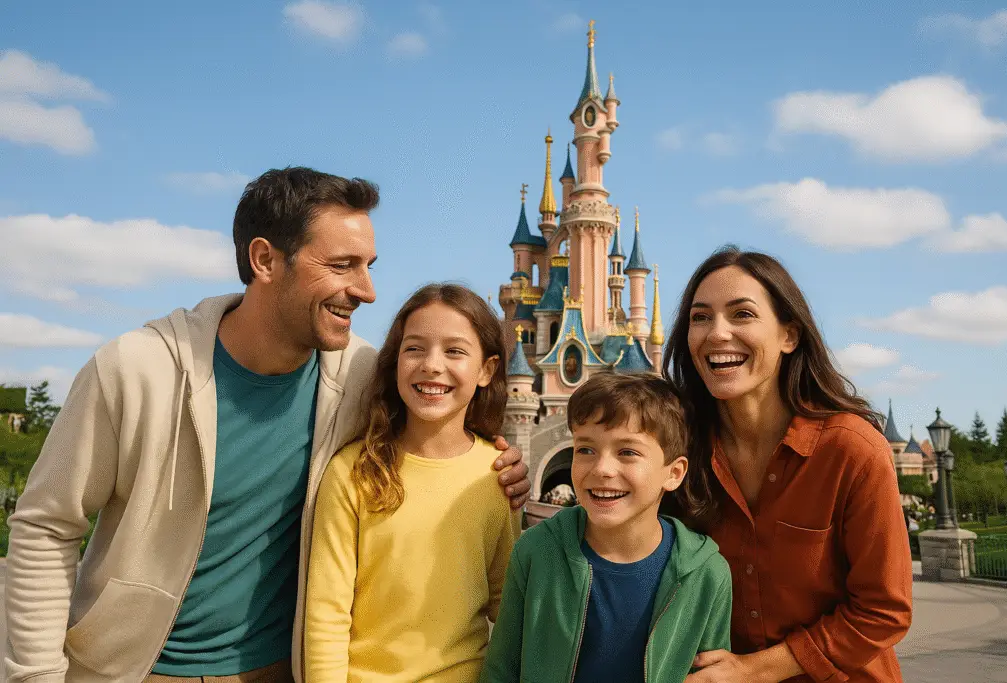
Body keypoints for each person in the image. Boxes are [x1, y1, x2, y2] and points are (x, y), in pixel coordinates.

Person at [3, 168, 531, 683]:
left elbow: (446, 432)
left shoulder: (364, 377)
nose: (367, 290)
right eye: (343, 265)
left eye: (368, 265)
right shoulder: (137, 370)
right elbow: (47, 527)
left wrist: (502, 463)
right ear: (265, 260)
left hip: (282, 669)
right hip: (136, 670)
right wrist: (35, 675)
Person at [660, 246, 913, 683]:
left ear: (788, 336)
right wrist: (503, 474)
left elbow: (884, 609)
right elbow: (614, 518)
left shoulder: (851, 451)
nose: (717, 333)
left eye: (742, 314)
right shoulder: (677, 449)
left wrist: (755, 670)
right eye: (700, 318)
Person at [304, 283, 519, 681]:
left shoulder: (497, 476)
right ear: (396, 361)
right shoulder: (353, 472)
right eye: (415, 348)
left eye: (454, 351)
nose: (431, 365)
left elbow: (507, 605)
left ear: (486, 370)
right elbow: (327, 615)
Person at [481, 371, 733, 683]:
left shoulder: (706, 573)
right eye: (585, 449)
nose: (602, 469)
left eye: (627, 452)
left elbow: (711, 674)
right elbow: (501, 670)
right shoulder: (536, 552)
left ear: (674, 473)